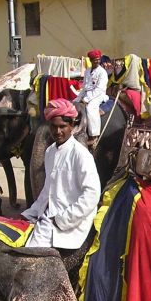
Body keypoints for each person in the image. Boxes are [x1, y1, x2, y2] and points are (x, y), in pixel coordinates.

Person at [22, 98, 100, 249]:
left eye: (62, 126)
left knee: (29, 252)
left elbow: (92, 194)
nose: (58, 132)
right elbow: (48, 190)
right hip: (50, 215)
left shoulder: (81, 155)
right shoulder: (50, 151)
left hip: (70, 221)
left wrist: (63, 219)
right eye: (53, 126)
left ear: (72, 126)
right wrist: (31, 212)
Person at [73, 49, 109, 147]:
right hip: (87, 93)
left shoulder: (102, 72)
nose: (97, 61)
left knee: (90, 108)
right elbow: (84, 87)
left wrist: (87, 99)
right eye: (95, 60)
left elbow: (99, 89)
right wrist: (79, 98)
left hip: (98, 95)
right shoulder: (87, 71)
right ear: (91, 60)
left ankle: (94, 136)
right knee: (73, 104)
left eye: (98, 59)